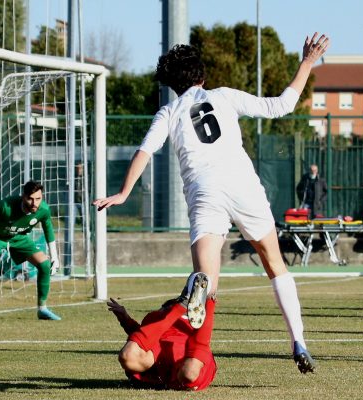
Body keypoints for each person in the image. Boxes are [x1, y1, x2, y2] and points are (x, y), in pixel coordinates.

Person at [93, 32, 329, 373]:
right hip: (242, 184)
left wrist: (124, 193)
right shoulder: (224, 96)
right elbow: (282, 105)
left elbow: (144, 151)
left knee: (207, 279)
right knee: (274, 263)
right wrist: (306, 62)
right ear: (202, 75)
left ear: (171, 85)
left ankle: (197, 310)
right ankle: (299, 341)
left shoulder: (169, 112)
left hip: (205, 191)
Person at [0, 180, 62, 322]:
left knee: (45, 265)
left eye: (38, 199)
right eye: (30, 199)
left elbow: (48, 230)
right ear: (23, 196)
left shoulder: (43, 210)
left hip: (18, 238)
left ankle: (42, 309)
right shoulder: (6, 207)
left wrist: (55, 257)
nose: (35, 203)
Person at [108, 272, 216, 391]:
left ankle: (208, 301)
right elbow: (142, 339)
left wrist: (126, 319)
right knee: (127, 357)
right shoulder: (154, 317)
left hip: (188, 355)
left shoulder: (191, 319)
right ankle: (208, 300)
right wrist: (125, 319)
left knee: (189, 373)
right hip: (159, 366)